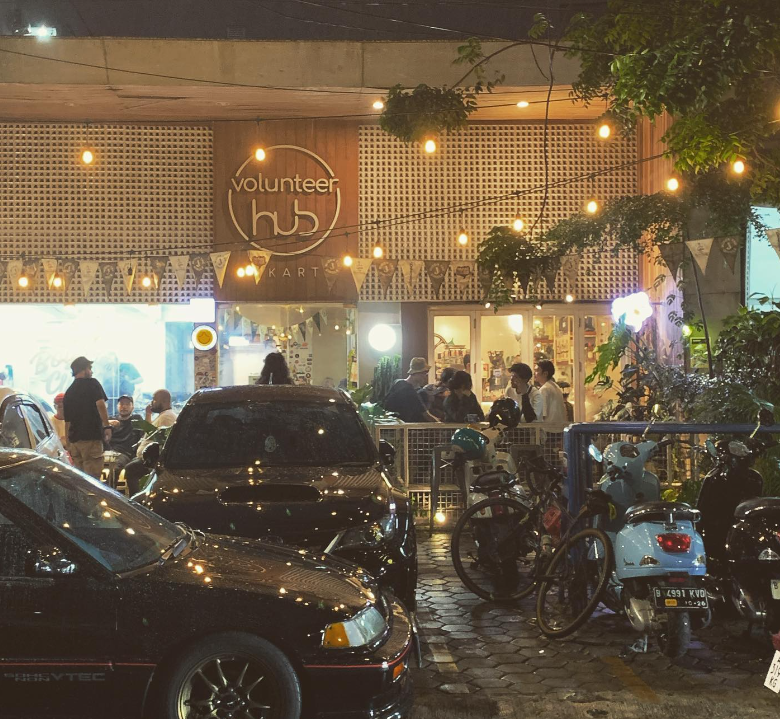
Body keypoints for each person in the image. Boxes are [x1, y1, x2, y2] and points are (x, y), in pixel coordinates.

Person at [63, 356, 111, 478]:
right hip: (91, 438)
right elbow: (100, 404)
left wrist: (68, 444)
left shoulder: (69, 392)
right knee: (93, 479)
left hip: (75, 442)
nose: (91, 371)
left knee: (80, 479)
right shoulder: (92, 383)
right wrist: (107, 426)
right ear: (83, 369)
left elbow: (67, 421)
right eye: (90, 368)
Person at [383, 358, 440, 423]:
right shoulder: (409, 391)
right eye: (424, 373)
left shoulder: (397, 382)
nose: (425, 376)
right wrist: (440, 424)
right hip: (401, 426)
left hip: (391, 423)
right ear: (417, 373)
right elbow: (426, 415)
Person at [136, 389, 178, 458]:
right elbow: (150, 432)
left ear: (164, 401)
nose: (151, 402)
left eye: (154, 400)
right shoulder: (163, 415)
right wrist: (148, 414)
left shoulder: (167, 417)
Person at [108, 395, 143, 470]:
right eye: (121, 404)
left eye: (127, 404)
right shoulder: (111, 420)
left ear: (132, 407)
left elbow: (146, 434)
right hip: (109, 452)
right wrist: (108, 422)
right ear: (117, 406)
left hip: (126, 454)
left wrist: (148, 414)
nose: (124, 407)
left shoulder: (136, 419)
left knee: (115, 467)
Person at [535, 360, 568, 425]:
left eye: (537, 370)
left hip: (549, 428)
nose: (534, 373)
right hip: (559, 427)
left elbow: (542, 415)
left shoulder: (544, 389)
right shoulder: (555, 386)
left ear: (545, 373)